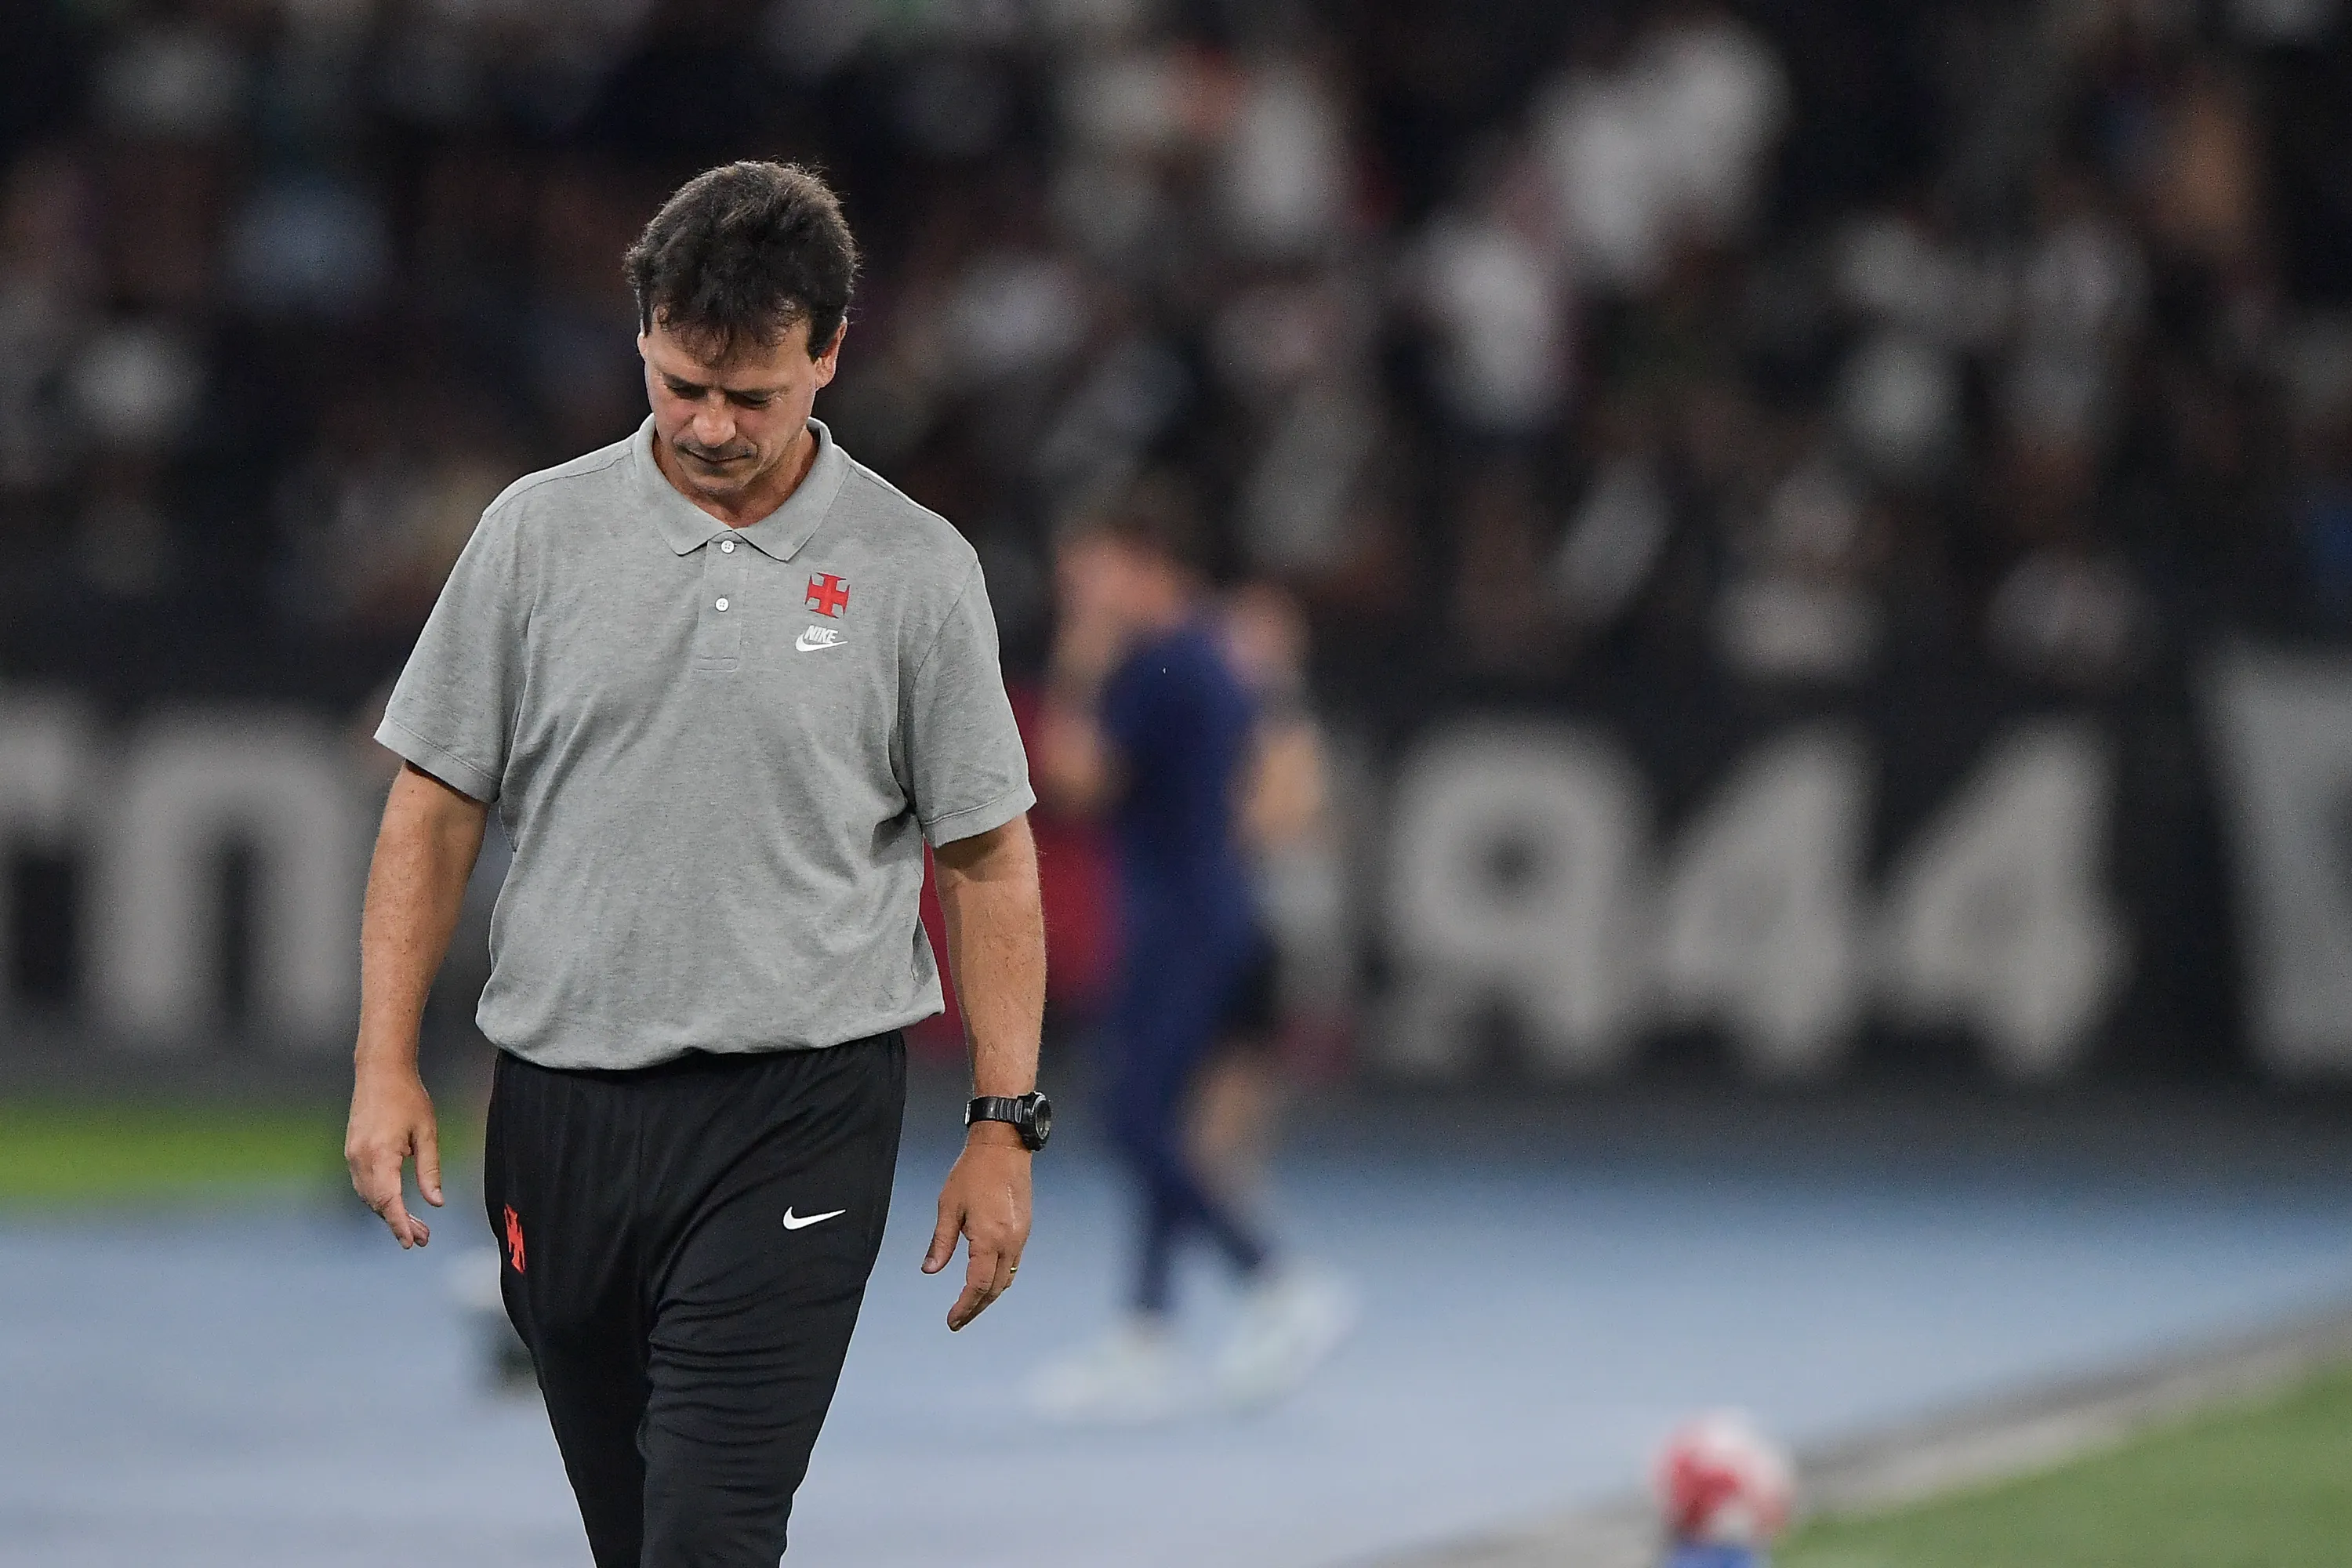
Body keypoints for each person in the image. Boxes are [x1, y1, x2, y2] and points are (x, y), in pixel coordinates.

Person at [342, 162, 1050, 1566]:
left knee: (711, 1538)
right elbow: (430, 811)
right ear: (643, 335)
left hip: (799, 1109)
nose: (712, 425)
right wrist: (381, 1061)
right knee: (636, 1537)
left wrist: (1002, 1121)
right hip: (560, 1114)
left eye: (756, 394)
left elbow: (987, 857)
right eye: (680, 384)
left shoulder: (914, 569)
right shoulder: (535, 537)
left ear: (832, 353)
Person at [1030, 481, 1352, 1421]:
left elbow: (1076, 778)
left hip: (1184, 922)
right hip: (1194, 915)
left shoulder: (1161, 661)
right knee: (1158, 1120)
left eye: (1088, 568)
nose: (1075, 587)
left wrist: (1079, 667)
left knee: (1134, 1120)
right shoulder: (1199, 651)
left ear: (1142, 563)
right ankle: (1147, 1329)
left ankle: (1276, 1280)